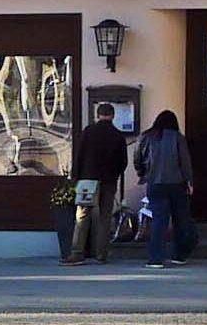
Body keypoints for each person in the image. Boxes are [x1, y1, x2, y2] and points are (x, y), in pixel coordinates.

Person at [134, 110, 196, 267]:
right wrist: (189, 181)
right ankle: (179, 255)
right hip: (177, 184)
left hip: (155, 183)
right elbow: (185, 161)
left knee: (158, 221)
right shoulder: (177, 138)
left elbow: (137, 159)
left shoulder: (146, 137)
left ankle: (156, 258)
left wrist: (142, 173)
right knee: (180, 220)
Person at [70, 105, 130, 263]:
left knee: (82, 216)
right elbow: (123, 162)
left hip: (87, 179)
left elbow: (79, 155)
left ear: (98, 114)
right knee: (105, 216)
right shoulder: (118, 136)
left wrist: (76, 177)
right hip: (108, 181)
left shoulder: (88, 132)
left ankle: (77, 253)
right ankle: (101, 254)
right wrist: (114, 175)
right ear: (113, 115)